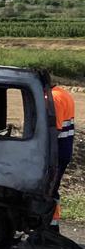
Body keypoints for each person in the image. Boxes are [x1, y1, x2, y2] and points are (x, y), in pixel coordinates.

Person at [51, 85, 76, 232]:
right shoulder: (63, 93)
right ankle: (53, 225)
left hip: (57, 152)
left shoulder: (54, 98)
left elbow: (55, 129)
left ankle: (50, 228)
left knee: (49, 190)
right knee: (53, 189)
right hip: (64, 150)